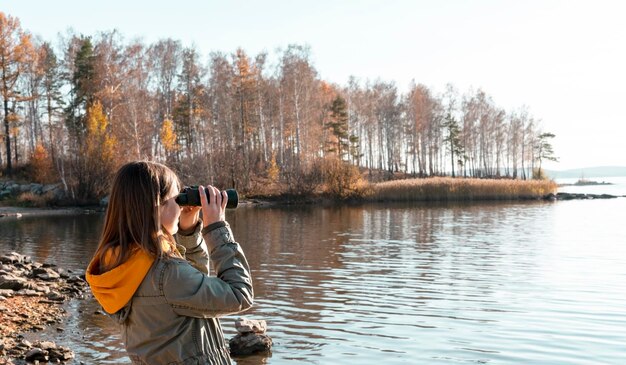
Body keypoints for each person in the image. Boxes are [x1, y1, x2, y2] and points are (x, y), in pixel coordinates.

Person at [86, 161, 253, 365]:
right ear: (156, 206)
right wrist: (217, 228)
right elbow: (239, 294)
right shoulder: (166, 273)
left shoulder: (124, 264)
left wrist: (188, 232)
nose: (181, 206)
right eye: (177, 199)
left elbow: (193, 296)